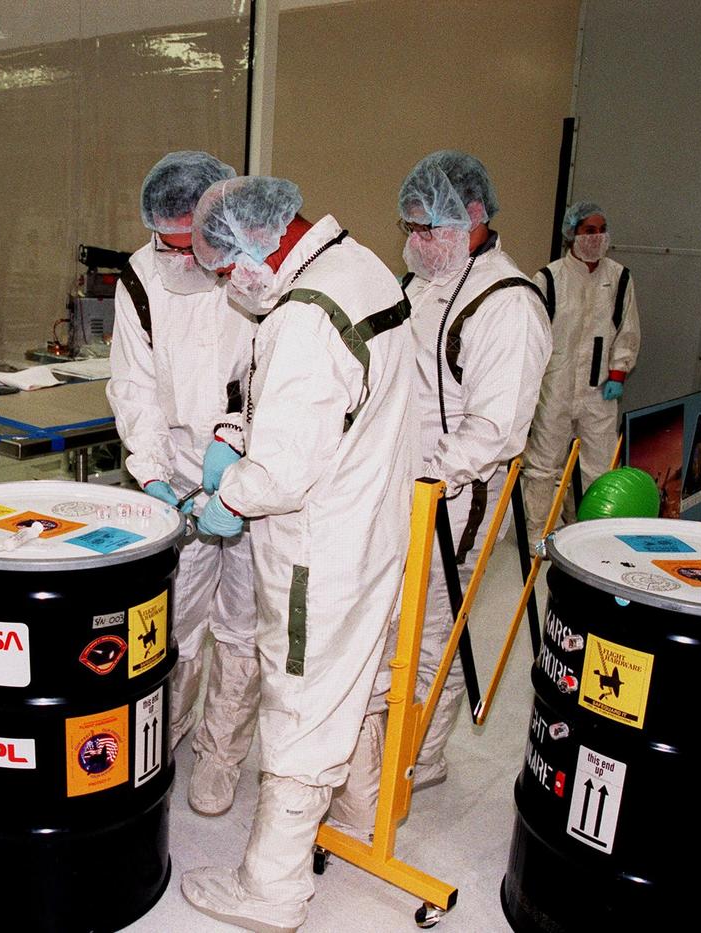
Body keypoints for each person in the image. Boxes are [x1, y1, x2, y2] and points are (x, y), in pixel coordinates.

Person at [178, 175, 415, 931]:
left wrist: (226, 497)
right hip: (371, 522)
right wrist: (243, 435)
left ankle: (273, 888)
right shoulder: (359, 266)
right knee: (356, 680)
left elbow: (282, 473)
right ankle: (358, 813)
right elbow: (331, 409)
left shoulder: (305, 316)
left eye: (225, 267)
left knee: (302, 703)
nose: (230, 284)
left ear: (258, 241)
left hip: (319, 547)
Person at [329, 151, 551, 839]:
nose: (416, 240)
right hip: (398, 485)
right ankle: (389, 745)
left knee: (430, 635)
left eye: (430, 228)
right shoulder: (424, 282)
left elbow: (495, 427)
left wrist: (425, 485)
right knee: (394, 624)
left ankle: (417, 755)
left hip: (453, 497)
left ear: (474, 220)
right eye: (410, 226)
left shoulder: (507, 303)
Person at [106, 151, 261, 817]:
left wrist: (237, 436)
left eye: (186, 245)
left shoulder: (255, 266)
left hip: (253, 471)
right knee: (177, 621)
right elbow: (133, 383)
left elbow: (279, 369)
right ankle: (165, 730)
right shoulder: (140, 280)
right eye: (162, 243)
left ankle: (223, 750)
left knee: (244, 621)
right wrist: (149, 470)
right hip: (176, 470)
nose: (174, 257)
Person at [523, 201, 640, 539]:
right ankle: (539, 533)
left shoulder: (619, 278)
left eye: (602, 230)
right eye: (590, 230)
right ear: (571, 233)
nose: (597, 237)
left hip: (600, 389)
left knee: (598, 464)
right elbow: (534, 336)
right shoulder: (548, 278)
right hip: (555, 386)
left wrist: (618, 373)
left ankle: (590, 531)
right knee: (545, 462)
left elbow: (627, 329)